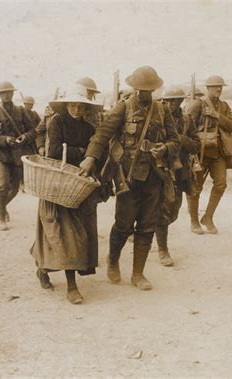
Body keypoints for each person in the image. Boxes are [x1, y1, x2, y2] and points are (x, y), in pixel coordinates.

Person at [80, 66, 180, 290]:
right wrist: (90, 158)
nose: (143, 94)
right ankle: (113, 261)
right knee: (123, 225)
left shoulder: (162, 111)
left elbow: (176, 141)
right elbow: (103, 134)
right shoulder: (123, 107)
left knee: (147, 226)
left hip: (154, 177)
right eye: (140, 90)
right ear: (134, 88)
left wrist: (164, 148)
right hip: (128, 177)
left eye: (148, 90)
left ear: (154, 90)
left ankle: (138, 274)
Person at [30, 85, 103, 304]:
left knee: (71, 235)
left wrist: (87, 156)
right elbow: (53, 153)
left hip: (77, 187)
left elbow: (97, 152)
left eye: (81, 106)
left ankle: (42, 266)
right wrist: (81, 152)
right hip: (58, 183)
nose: (77, 109)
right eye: (73, 105)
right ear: (66, 106)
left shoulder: (90, 129)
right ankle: (71, 286)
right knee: (61, 234)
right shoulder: (57, 122)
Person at [185, 75, 232, 234]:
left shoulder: (224, 106)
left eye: (220, 86)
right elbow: (185, 125)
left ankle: (208, 217)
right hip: (200, 153)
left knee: (221, 184)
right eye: (214, 86)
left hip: (218, 153)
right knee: (195, 187)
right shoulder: (198, 104)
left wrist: (216, 115)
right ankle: (194, 221)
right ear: (207, 88)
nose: (218, 89)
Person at [155, 87, 201, 266]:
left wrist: (180, 139)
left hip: (181, 171)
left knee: (173, 211)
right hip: (161, 170)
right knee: (163, 211)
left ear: (181, 101)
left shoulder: (187, 120)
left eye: (173, 100)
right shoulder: (157, 118)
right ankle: (162, 249)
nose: (168, 104)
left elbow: (196, 145)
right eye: (165, 101)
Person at [0, 81, 36, 231]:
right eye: (3, 93)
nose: (7, 95)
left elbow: (33, 131)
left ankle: (2, 207)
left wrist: (25, 136)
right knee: (2, 185)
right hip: (2, 154)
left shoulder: (21, 111)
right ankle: (0, 218)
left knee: (14, 188)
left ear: (13, 93)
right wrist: (4, 140)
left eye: (9, 92)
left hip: (19, 155)